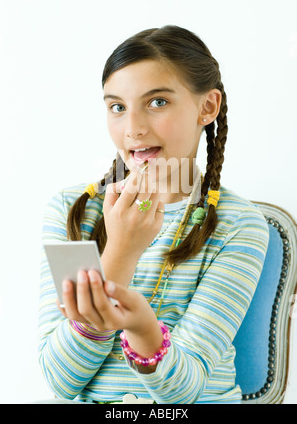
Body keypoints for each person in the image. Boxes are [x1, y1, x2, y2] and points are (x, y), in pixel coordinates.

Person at [38, 25, 269, 404]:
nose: (134, 129)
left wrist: (144, 329)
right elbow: (61, 380)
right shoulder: (72, 211)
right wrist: (121, 253)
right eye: (117, 107)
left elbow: (184, 391)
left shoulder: (238, 225)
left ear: (206, 107)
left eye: (157, 102)